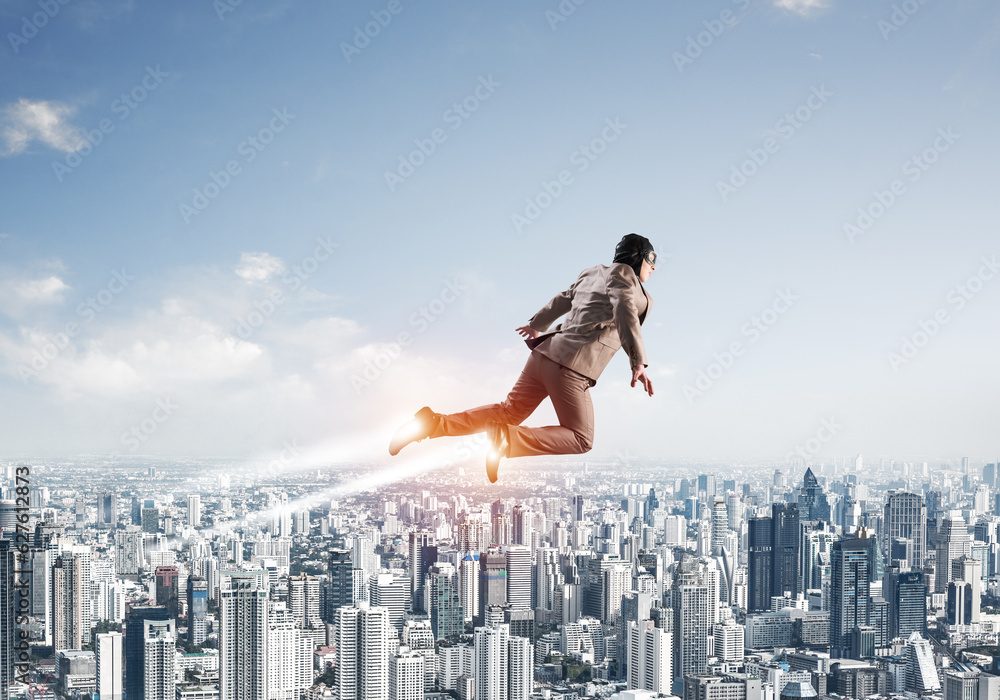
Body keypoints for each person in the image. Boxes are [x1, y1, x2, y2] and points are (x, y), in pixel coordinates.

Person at [389, 233, 657, 482]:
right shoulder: (624, 275)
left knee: (508, 411)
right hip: (570, 367)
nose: (653, 268)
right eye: (651, 260)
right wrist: (637, 361)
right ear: (637, 258)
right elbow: (624, 309)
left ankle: (430, 424)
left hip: (544, 354)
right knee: (581, 438)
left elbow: (564, 298)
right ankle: (507, 439)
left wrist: (537, 324)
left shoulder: (592, 273)